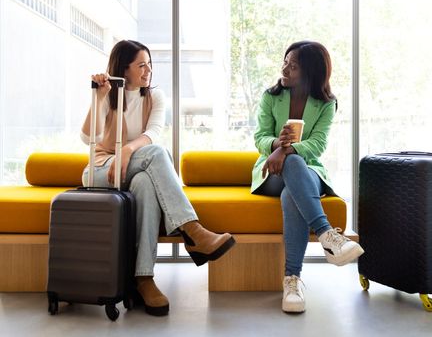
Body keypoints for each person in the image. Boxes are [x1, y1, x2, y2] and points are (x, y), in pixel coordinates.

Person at [81, 40, 235, 316]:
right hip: (102, 171)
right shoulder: (109, 93)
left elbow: (152, 132)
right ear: (124, 69)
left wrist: (127, 150)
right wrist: (98, 97)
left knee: (145, 184)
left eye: (149, 64)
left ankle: (143, 278)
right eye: (141, 65)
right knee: (158, 153)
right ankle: (194, 231)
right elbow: (87, 138)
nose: (148, 70)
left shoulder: (155, 97)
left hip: (133, 169)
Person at [251, 41, 364, 313]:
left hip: (307, 171)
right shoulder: (271, 96)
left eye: (294, 65)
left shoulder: (326, 104)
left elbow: (318, 144)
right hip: (272, 173)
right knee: (291, 165)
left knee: (293, 191)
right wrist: (277, 146)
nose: (285, 68)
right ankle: (327, 234)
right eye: (285, 61)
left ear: (311, 72)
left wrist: (288, 151)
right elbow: (259, 137)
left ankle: (292, 280)